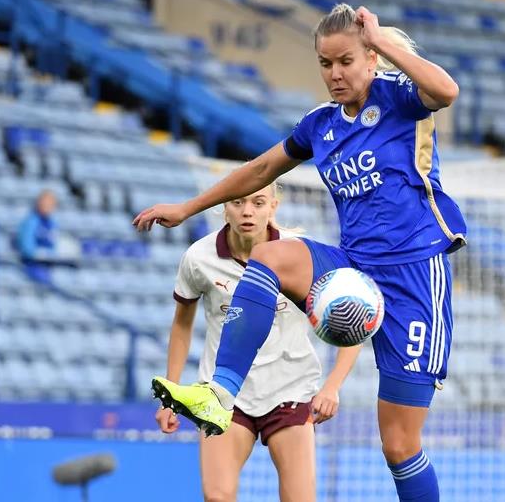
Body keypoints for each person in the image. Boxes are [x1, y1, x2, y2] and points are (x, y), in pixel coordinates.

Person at [135, 4, 465, 501]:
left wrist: (382, 41)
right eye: (325, 64)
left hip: (415, 276)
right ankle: (219, 393)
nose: (334, 74)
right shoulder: (320, 125)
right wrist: (188, 207)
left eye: (346, 61)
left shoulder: (399, 98)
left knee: (398, 445)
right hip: (353, 267)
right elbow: (259, 169)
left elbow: (447, 91)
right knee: (269, 257)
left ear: (370, 58)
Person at [154, 184, 361, 502]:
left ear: (273, 207)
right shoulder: (198, 258)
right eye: (237, 202)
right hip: (224, 395)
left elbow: (352, 321)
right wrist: (171, 388)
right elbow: (181, 324)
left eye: (258, 202)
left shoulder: (301, 255)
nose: (247, 211)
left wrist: (332, 386)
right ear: (224, 206)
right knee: (217, 497)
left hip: (290, 390)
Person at [16, 189, 79, 281]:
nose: (47, 206)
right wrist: (39, 253)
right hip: (32, 265)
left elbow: (54, 244)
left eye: (50, 204)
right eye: (45, 203)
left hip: (49, 265)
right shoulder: (31, 222)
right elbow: (27, 247)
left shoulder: (52, 223)